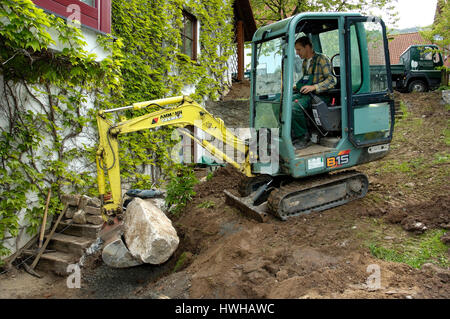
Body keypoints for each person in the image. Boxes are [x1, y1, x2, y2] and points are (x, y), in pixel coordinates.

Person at [292, 36, 337, 148]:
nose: (297, 53)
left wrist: (314, 87)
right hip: (308, 94)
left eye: (298, 49)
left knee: (294, 107)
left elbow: (332, 80)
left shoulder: (322, 59)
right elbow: (306, 79)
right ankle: (293, 133)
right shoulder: (305, 62)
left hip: (320, 96)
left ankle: (304, 137)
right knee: (282, 101)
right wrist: (295, 87)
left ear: (307, 47)